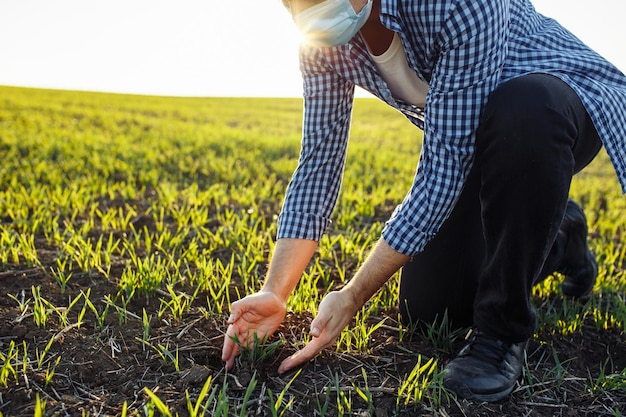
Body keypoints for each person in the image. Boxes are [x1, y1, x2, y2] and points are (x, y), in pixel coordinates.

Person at [222, 0, 626, 402]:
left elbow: (442, 170)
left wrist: (352, 295)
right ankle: (560, 235)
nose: (304, 8)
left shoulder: (459, 5)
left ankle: (501, 333)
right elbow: (318, 165)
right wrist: (276, 290)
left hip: (559, 100)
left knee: (523, 107)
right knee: (430, 309)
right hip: (479, 137)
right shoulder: (321, 42)